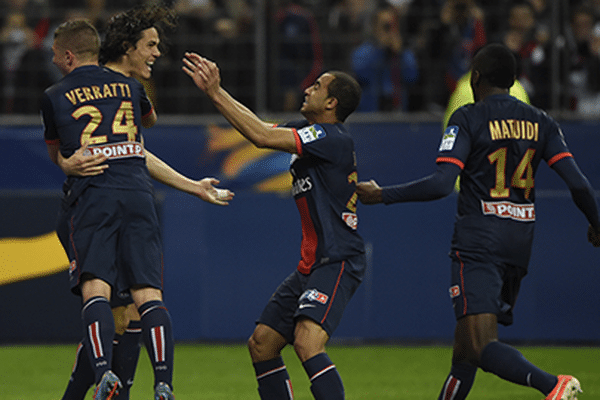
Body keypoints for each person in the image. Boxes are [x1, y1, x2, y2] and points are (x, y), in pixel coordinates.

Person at [357, 43, 599, 400]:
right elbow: (578, 183)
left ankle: (553, 385)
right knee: (465, 353)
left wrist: (382, 195)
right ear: (513, 80)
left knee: (482, 344)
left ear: (475, 78)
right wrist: (596, 222)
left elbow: (442, 183)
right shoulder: (541, 121)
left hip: (479, 242)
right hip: (519, 243)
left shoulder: (468, 117)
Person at [41, 15, 233, 400]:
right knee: (132, 309)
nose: (157, 53)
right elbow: (139, 140)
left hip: (96, 197)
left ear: (66, 56)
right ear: (126, 48)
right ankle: (154, 383)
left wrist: (193, 186)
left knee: (116, 311)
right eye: (151, 44)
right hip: (121, 197)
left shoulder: (60, 93)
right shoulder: (129, 89)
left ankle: (106, 386)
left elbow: (132, 149)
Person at [183, 53, 365, 399]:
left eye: (317, 86)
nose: (307, 89)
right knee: (262, 344)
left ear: (331, 102)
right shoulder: (308, 132)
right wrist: (216, 92)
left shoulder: (332, 137)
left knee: (307, 342)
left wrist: (215, 92)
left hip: (338, 259)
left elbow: (261, 138)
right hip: (311, 264)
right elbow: (259, 129)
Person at [351, 5, 419, 112]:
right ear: (375, 27)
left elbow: (412, 77)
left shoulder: (404, 52)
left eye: (392, 25)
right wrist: (380, 48)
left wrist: (399, 53)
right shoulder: (363, 52)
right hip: (371, 112)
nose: (389, 30)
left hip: (397, 111)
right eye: (385, 26)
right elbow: (362, 74)